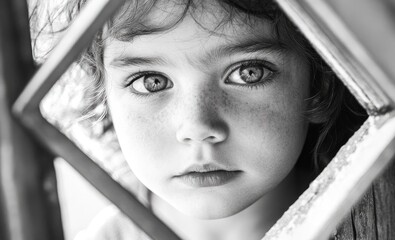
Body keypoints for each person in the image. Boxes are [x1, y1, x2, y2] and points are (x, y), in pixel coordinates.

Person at [33, 0, 367, 239]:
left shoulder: (387, 210)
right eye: (151, 81)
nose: (197, 128)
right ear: (104, 95)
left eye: (248, 73)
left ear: (319, 82)